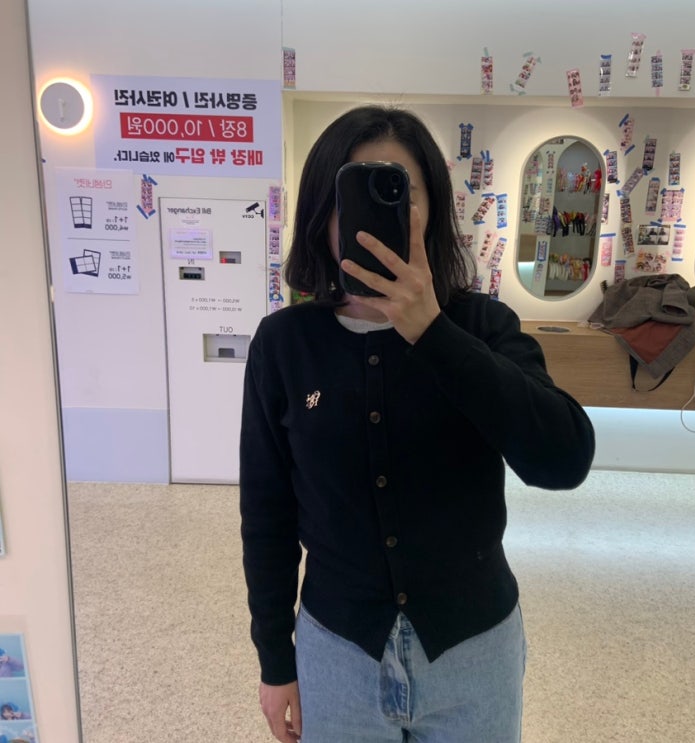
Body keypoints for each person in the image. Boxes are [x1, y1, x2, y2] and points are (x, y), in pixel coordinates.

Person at [240, 105, 595, 743]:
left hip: (473, 650)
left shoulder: (481, 326)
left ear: (430, 209)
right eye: (349, 195)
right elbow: (266, 514)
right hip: (337, 648)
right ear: (321, 213)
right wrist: (274, 659)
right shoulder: (284, 344)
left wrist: (432, 332)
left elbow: (564, 460)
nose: (368, 217)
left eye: (397, 191)